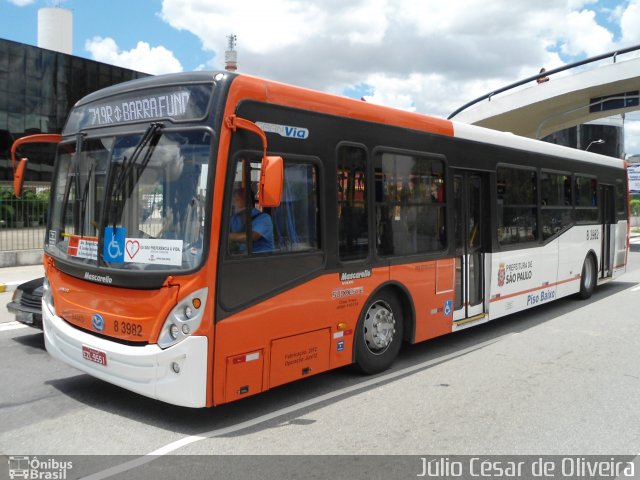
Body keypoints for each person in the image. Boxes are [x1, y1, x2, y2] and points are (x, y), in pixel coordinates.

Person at [229, 186, 274, 253]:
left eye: (237, 200)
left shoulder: (264, 218)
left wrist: (227, 236)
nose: (234, 204)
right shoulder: (234, 219)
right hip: (242, 257)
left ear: (247, 202)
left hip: (260, 260)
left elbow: (252, 236)